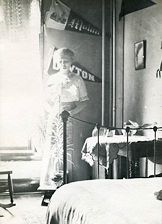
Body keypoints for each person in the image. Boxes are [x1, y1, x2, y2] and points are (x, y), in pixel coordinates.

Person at [39, 47, 89, 189]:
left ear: (71, 62)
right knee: (53, 147)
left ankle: (71, 183)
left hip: (71, 116)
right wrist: (53, 112)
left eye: (66, 61)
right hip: (55, 116)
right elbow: (44, 100)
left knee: (69, 148)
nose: (63, 64)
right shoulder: (52, 79)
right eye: (60, 61)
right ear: (56, 63)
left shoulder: (77, 79)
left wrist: (71, 113)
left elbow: (85, 101)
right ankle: (51, 183)